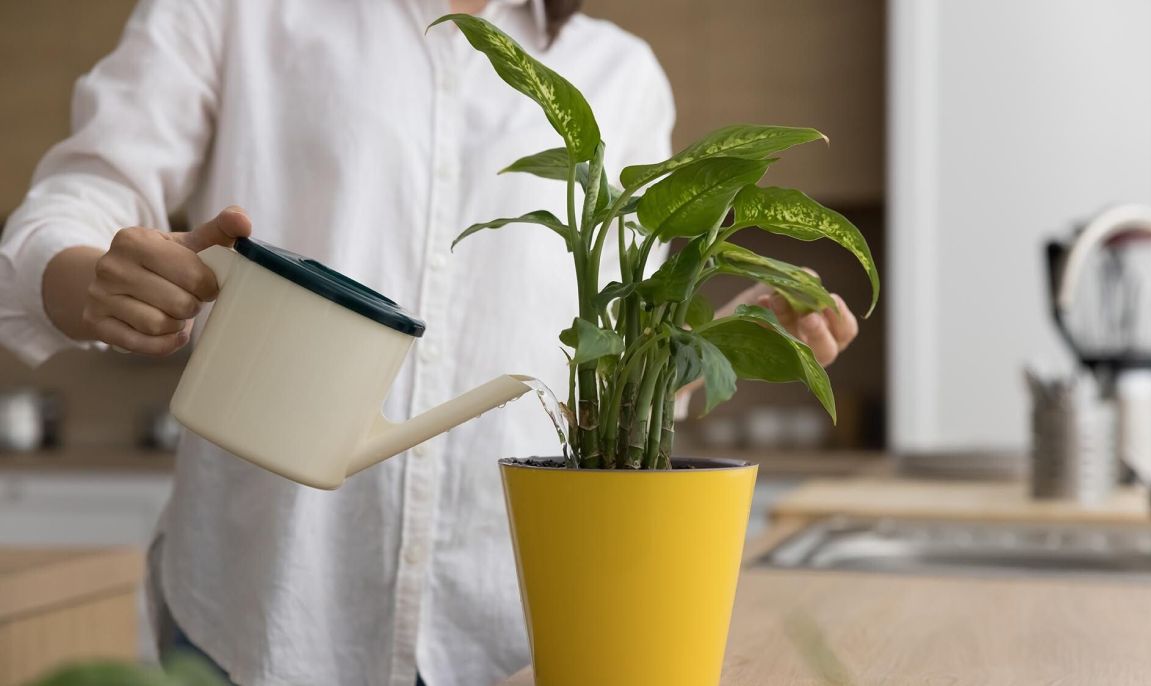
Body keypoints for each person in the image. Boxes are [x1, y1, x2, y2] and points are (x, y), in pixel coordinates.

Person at [0, 1, 859, 684]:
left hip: (515, 635)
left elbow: (608, 391)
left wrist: (717, 347)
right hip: (259, 615)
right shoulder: (236, 13)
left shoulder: (620, 73)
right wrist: (90, 279)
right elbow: (81, 195)